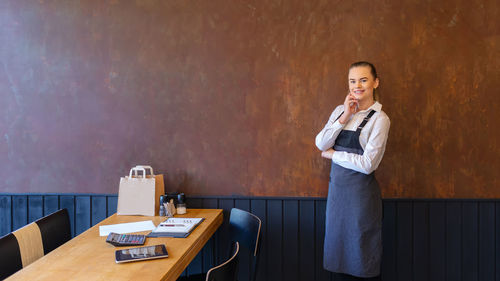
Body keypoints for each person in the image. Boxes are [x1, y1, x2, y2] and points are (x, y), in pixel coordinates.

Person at [315, 61, 390, 281]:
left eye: (363, 80)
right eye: (352, 80)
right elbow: (321, 143)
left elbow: (368, 164)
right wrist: (345, 115)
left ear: (375, 83)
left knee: (361, 257)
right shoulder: (340, 110)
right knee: (337, 257)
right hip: (337, 197)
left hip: (361, 199)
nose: (357, 85)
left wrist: (334, 155)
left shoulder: (380, 120)